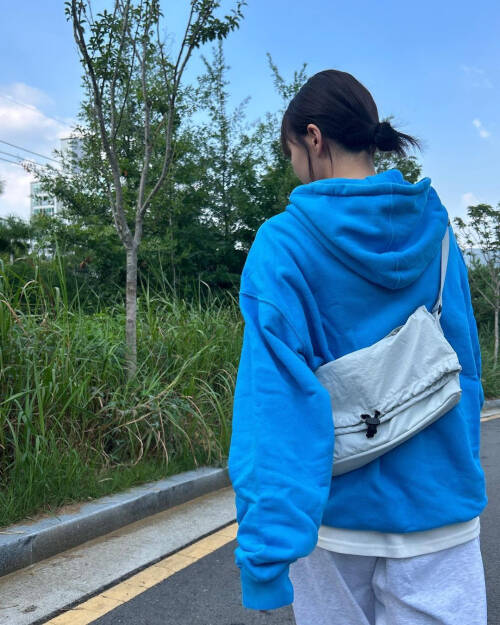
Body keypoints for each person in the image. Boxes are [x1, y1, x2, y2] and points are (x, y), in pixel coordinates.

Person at [227, 69, 488, 624]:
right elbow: (465, 372)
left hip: (337, 520)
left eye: (291, 152)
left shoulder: (284, 244)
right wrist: (455, 473)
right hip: (440, 508)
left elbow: (273, 408)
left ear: (314, 138)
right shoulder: (438, 232)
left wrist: (266, 556)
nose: (294, 167)